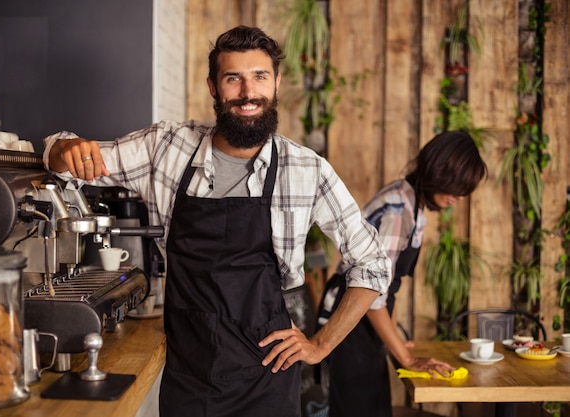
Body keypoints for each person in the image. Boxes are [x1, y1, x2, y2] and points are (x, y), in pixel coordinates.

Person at [42, 26, 391, 417]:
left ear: (277, 82)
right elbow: (70, 164)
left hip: (268, 380)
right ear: (213, 86)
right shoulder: (168, 147)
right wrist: (62, 148)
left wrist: (321, 344)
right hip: (190, 377)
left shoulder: (306, 169)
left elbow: (373, 263)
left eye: (259, 76)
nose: (248, 92)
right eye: (233, 78)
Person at [318, 130, 487, 417]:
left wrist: (395, 342)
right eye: (457, 187)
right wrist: (406, 357)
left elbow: (388, 287)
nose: (459, 197)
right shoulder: (398, 211)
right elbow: (370, 295)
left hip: (365, 318)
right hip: (350, 318)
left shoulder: (414, 206)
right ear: (439, 172)